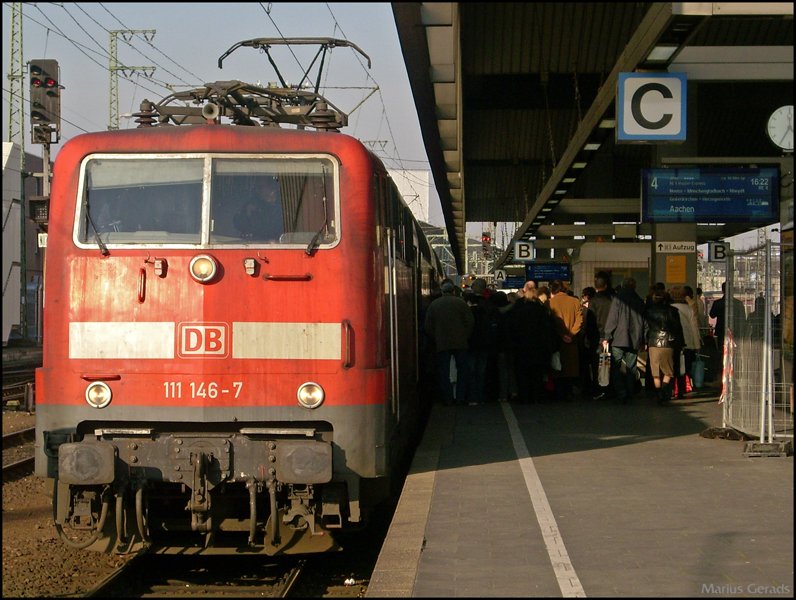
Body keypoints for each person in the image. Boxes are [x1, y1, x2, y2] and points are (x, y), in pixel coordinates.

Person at [424, 281, 474, 406]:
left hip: (442, 343)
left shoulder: (434, 305)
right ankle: (460, 397)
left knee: (443, 372)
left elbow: (428, 326)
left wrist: (436, 337)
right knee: (462, 370)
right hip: (460, 343)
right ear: (453, 291)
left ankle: (447, 399)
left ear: (442, 292)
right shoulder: (461, 303)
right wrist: (465, 336)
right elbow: (470, 322)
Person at [504, 285, 554, 404]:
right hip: (538, 347)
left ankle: (524, 396)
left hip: (520, 347)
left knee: (522, 373)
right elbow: (547, 329)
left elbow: (511, 328)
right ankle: (536, 395)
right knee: (536, 373)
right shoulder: (541, 310)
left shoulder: (517, 310)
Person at [602, 277, 647, 404]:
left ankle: (621, 392)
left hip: (618, 339)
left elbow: (612, 319)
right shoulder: (639, 301)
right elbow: (645, 322)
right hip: (634, 339)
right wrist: (643, 339)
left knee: (616, 367)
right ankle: (630, 391)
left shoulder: (618, 299)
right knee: (631, 367)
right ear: (634, 287)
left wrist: (607, 335)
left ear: (622, 286)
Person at [644, 290, 685, 405]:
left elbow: (646, 328)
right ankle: (663, 391)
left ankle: (658, 393)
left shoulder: (648, 311)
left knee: (655, 372)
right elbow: (678, 329)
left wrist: (644, 341)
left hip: (653, 342)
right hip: (668, 343)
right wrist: (681, 343)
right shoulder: (672, 311)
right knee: (668, 371)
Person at [464, 278, 499, 405]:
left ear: (474, 287)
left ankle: (473, 397)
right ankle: (482, 396)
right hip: (485, 343)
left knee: (471, 370)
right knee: (482, 371)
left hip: (471, 342)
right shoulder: (490, 305)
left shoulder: (466, 303)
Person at [548, 280, 584, 401]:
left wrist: (562, 334)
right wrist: (571, 334)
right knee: (571, 368)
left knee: (558, 367)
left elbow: (551, 323)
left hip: (557, 342)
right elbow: (580, 320)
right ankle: (570, 392)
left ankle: (559, 393)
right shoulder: (575, 301)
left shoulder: (550, 303)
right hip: (572, 342)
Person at [709, 282, 746, 381]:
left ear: (722, 290)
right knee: (734, 353)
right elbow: (743, 318)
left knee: (721, 354)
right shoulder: (738, 303)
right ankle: (734, 375)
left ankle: (722, 375)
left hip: (721, 332)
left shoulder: (718, 303)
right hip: (735, 332)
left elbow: (712, 315)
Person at [670, 286, 701, 398]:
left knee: (672, 366)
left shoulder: (669, 308)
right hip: (688, 342)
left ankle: (673, 389)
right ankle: (682, 389)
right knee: (685, 368)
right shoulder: (689, 309)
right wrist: (697, 345)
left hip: (673, 342)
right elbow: (694, 328)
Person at [589, 271, 615, 399]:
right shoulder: (612, 300)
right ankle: (610, 389)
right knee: (610, 364)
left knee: (597, 365)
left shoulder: (593, 301)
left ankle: (598, 388)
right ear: (606, 285)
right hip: (611, 336)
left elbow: (590, 322)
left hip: (597, 337)